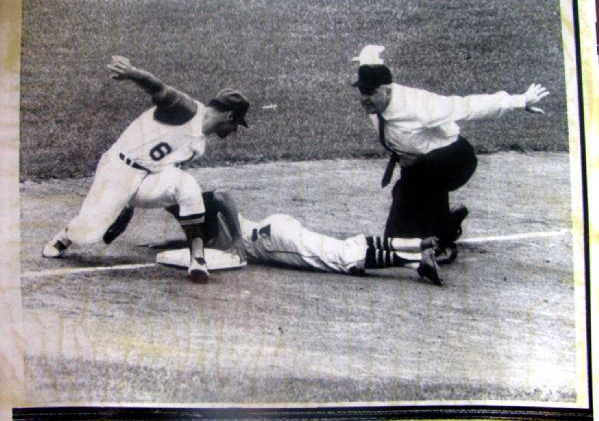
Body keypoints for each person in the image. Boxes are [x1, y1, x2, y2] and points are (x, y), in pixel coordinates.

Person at [42, 56, 251, 284]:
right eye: (236, 124)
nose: (234, 131)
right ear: (230, 115)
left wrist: (183, 214)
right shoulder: (187, 110)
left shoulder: (198, 146)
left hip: (147, 180)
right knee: (90, 233)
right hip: (118, 170)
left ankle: (197, 259)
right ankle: (65, 236)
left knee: (187, 185)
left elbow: (172, 188)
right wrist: (131, 72)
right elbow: (158, 87)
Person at [351, 45, 549, 260]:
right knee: (396, 239)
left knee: (424, 181)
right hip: (421, 165)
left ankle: (444, 243)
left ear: (388, 90)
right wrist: (367, 57)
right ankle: (449, 221)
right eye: (362, 91)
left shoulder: (419, 106)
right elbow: (370, 67)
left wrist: (518, 101)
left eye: (370, 92)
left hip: (454, 160)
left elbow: (468, 107)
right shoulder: (375, 103)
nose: (365, 99)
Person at [154, 190, 445, 286]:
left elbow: (223, 196)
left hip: (269, 242)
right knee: (338, 247)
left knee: (341, 259)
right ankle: (416, 246)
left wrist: (238, 241)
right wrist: (172, 245)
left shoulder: (192, 201)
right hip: (274, 229)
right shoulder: (189, 211)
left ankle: (417, 260)